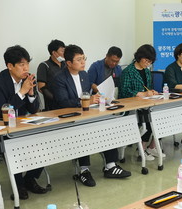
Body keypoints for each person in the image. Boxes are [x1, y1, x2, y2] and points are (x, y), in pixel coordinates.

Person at [51, 45, 131, 185]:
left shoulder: (84, 75)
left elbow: (87, 94)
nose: (83, 62)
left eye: (84, 58)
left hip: (85, 113)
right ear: (69, 63)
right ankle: (84, 170)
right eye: (79, 60)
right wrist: (85, 101)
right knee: (83, 130)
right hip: (69, 118)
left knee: (108, 123)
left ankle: (110, 165)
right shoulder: (59, 78)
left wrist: (98, 97)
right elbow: (63, 102)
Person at [0, 45, 47, 199]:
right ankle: (18, 184)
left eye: (27, 64)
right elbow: (4, 110)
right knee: (14, 145)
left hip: (21, 126)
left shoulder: (27, 79)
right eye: (21, 64)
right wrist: (22, 92)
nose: (26, 68)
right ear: (10, 66)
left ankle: (30, 179)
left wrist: (31, 94)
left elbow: (34, 109)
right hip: (1, 128)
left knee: (45, 141)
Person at [118, 44, 163, 159]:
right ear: (139, 57)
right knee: (148, 120)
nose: (148, 64)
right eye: (146, 60)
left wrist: (151, 92)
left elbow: (147, 88)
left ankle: (150, 148)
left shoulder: (147, 71)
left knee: (159, 118)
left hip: (144, 105)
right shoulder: (128, 71)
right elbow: (124, 92)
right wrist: (142, 94)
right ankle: (141, 150)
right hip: (130, 108)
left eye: (150, 62)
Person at [36, 39, 65, 109]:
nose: (65, 53)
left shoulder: (66, 65)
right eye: (62, 51)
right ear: (54, 53)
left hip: (67, 103)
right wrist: (55, 99)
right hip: (52, 106)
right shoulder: (44, 65)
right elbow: (41, 88)